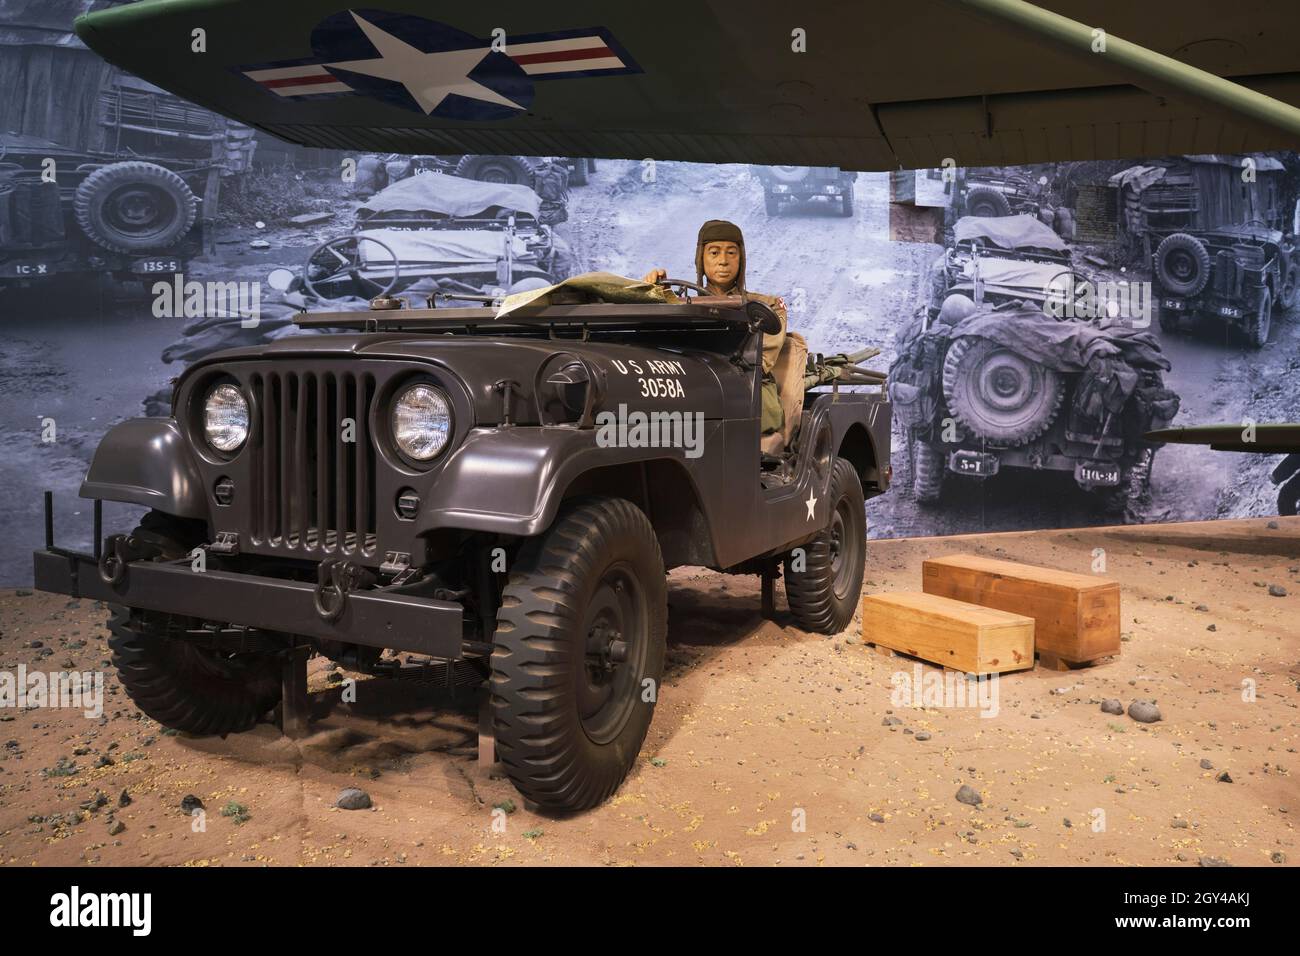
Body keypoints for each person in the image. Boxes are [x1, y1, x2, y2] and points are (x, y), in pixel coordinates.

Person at [643, 219, 798, 455]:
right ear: (701, 258)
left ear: (741, 258)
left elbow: (758, 361)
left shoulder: (767, 306)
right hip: (692, 394)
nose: (723, 261)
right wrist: (656, 291)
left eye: (731, 252)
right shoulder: (684, 304)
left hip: (746, 396)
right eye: (714, 252)